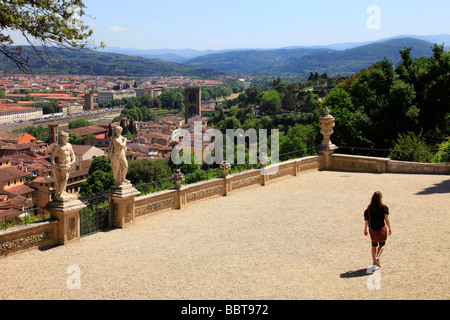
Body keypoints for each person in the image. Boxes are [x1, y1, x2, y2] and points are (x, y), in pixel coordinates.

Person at [364, 191, 392, 267]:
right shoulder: (384, 208)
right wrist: (389, 228)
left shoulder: (369, 209)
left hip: (372, 229)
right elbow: (386, 220)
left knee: (374, 245)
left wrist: (365, 229)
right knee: (382, 244)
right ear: (380, 198)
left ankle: (374, 262)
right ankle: (377, 257)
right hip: (381, 228)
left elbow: (366, 220)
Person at [50, 132, 76, 201]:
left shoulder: (69, 145)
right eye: (67, 136)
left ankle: (63, 191)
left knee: (64, 178)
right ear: (63, 137)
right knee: (65, 178)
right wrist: (53, 162)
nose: (68, 138)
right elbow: (52, 154)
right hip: (62, 165)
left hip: (69, 164)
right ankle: (60, 193)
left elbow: (72, 154)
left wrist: (73, 161)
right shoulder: (58, 145)